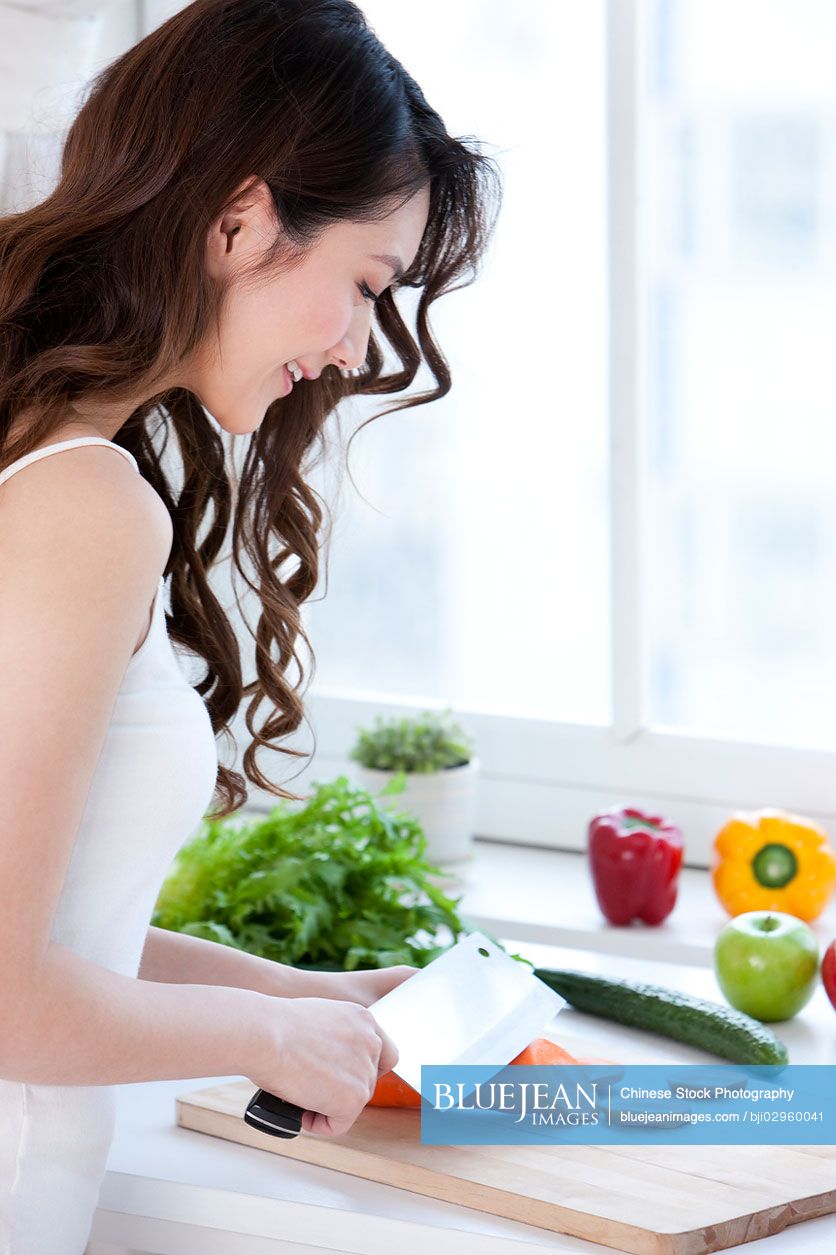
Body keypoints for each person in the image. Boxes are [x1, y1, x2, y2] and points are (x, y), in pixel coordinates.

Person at [0, 0, 502, 1250]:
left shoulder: (44, 462)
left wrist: (305, 992)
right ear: (241, 221)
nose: (353, 347)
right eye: (364, 285)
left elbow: (62, 925)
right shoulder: (81, 502)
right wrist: (272, 1037)